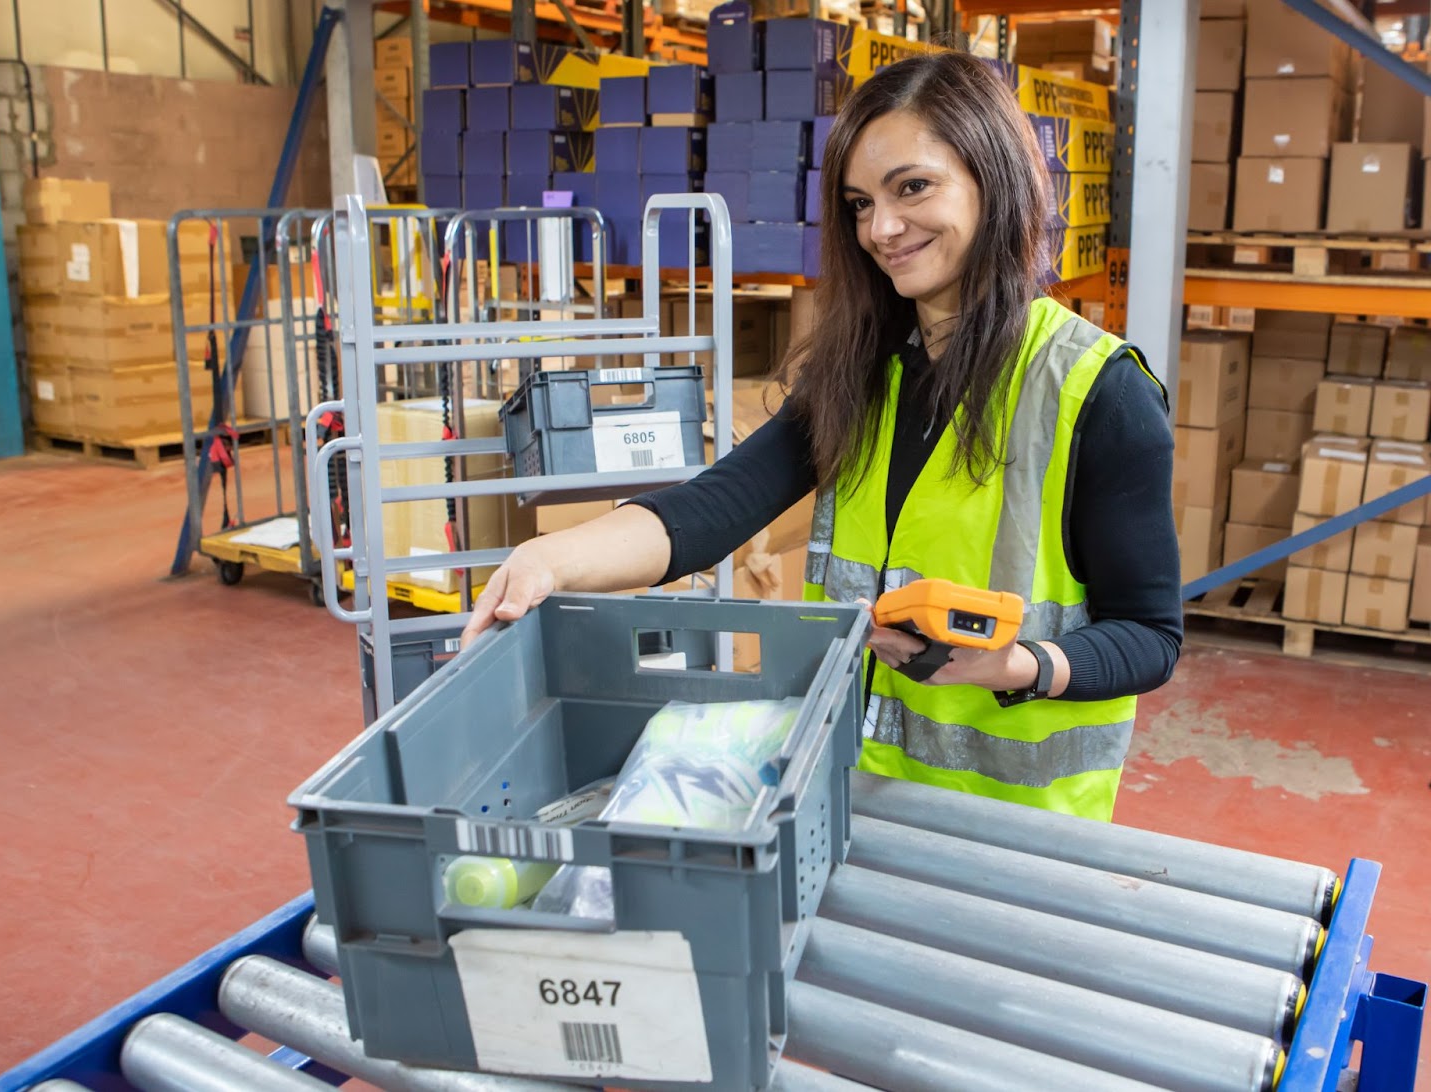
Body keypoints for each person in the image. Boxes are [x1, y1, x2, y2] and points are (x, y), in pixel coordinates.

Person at [461, 50, 1181, 822]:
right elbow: (715, 508)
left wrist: (1018, 665)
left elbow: (1149, 635)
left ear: (993, 177)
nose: (882, 227)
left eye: (912, 187)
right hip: (846, 799)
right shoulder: (862, 375)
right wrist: (551, 559)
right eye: (859, 204)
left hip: (1015, 839)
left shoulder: (1096, 393)